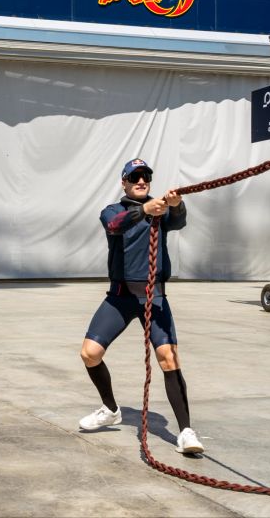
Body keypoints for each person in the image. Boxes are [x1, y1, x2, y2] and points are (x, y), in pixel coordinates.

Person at [78, 158, 204, 454]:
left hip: (154, 296)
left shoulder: (161, 212)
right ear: (124, 182)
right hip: (120, 297)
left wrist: (176, 203)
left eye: (145, 176)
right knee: (89, 353)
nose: (141, 180)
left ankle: (185, 431)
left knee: (168, 359)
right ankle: (110, 410)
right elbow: (114, 225)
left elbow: (179, 220)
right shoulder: (113, 211)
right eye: (134, 177)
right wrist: (144, 210)